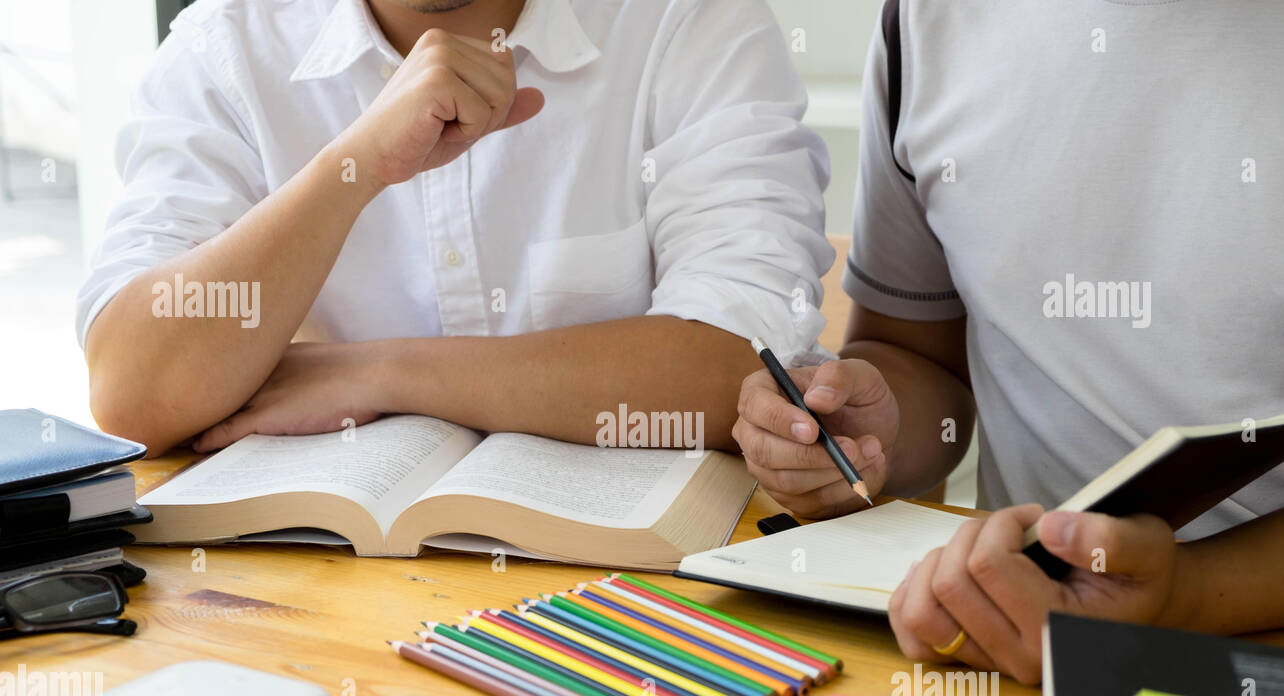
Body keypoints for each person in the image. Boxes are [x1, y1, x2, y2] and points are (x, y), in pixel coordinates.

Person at [732, 0, 1284, 683]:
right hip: (1000, 652)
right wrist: (871, 436)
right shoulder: (924, 21)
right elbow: (915, 354)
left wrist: (1182, 595)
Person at [79, 0, 834, 457]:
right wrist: (354, 166)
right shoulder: (228, 46)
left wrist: (380, 373)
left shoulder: (684, 22)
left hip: (640, 594)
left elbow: (742, 367)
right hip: (323, 590)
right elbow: (136, 393)